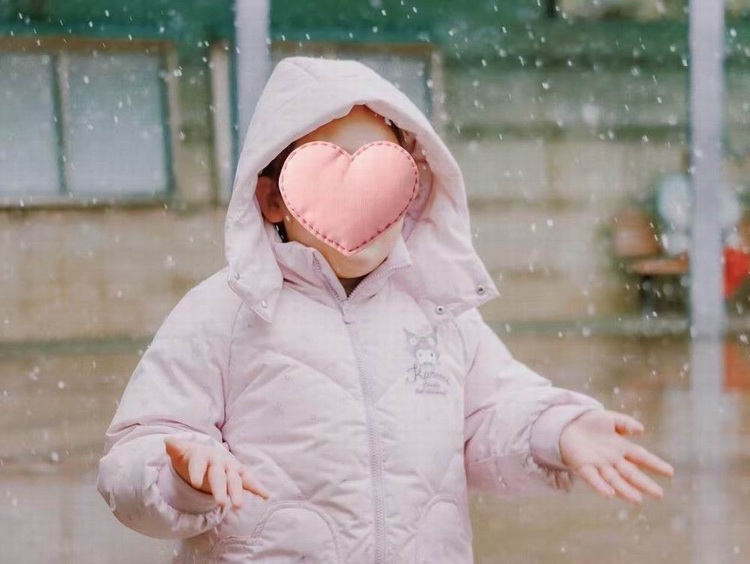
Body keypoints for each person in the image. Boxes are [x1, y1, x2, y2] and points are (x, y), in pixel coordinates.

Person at [96, 56, 674, 563]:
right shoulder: (223, 313)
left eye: (383, 175)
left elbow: (492, 414)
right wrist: (180, 478)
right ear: (272, 198)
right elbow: (135, 455)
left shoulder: (438, 310)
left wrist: (556, 430)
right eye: (328, 173)